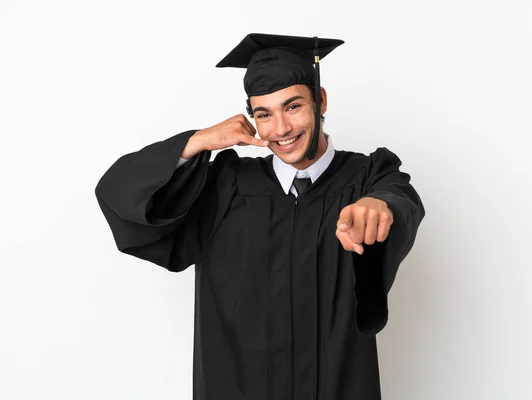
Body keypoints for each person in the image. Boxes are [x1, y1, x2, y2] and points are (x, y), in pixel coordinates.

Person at [95, 33, 425, 400]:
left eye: (293, 106)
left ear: (321, 100)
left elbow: (400, 198)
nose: (281, 128)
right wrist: (196, 142)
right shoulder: (226, 186)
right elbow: (119, 194)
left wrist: (380, 207)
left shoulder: (366, 177)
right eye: (264, 114)